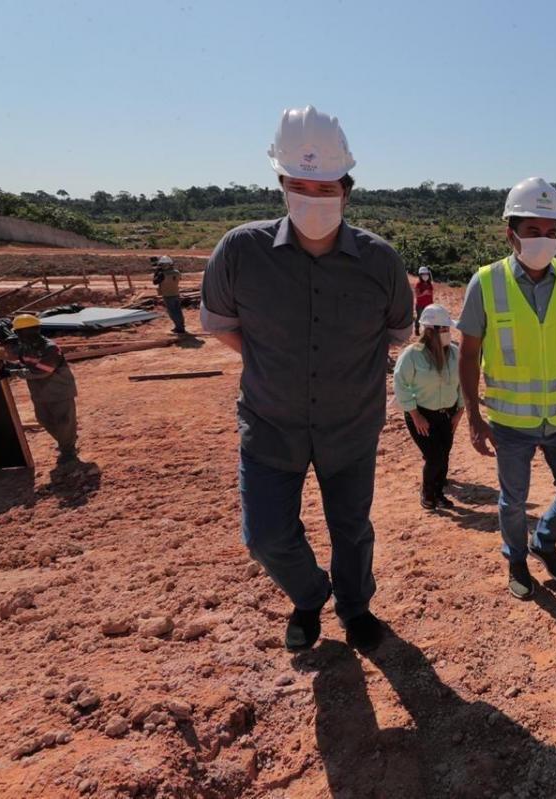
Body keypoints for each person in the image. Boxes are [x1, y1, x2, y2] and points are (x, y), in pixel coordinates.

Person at [200, 105, 412, 652]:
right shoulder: (241, 252)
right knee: (266, 536)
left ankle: (356, 607)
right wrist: (274, 360)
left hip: (350, 425)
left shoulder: (380, 261)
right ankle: (310, 595)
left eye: (325, 187)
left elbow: (396, 335)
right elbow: (221, 325)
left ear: (347, 188)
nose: (313, 198)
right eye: (300, 185)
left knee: (352, 529)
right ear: (280, 185)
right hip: (272, 423)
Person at [457, 177, 556, 600]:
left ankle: (544, 541)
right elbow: (468, 355)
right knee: (512, 502)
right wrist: (472, 416)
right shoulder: (485, 283)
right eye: (533, 231)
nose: (544, 239)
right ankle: (518, 558)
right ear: (511, 234)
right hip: (510, 422)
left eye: (551, 231)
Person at [394, 304, 463, 511]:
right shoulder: (412, 355)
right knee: (435, 457)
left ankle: (439, 492)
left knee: (445, 454)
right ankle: (427, 492)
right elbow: (400, 383)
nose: (447, 333)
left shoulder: (454, 353)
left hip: (447, 414)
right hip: (422, 414)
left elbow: (462, 384)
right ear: (430, 330)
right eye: (443, 329)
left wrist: (460, 411)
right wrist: (415, 415)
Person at [0, 314, 79, 464]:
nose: (18, 335)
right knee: (44, 420)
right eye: (17, 332)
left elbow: (42, 371)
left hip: (59, 391)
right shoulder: (26, 347)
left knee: (64, 421)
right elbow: (26, 364)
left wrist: (12, 372)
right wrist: (8, 366)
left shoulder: (49, 348)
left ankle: (68, 450)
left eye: (20, 332)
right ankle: (67, 440)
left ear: (34, 330)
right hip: (40, 392)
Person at [152, 256, 187, 334]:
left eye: (162, 265)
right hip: (176, 294)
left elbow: (154, 282)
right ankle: (180, 326)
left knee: (172, 312)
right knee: (178, 311)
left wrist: (156, 271)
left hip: (168, 295)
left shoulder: (162, 274)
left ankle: (179, 328)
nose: (162, 266)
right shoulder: (177, 272)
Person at [413, 266, 435, 335]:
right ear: (420, 275)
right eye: (423, 274)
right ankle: (417, 329)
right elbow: (417, 295)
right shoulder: (418, 284)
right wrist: (424, 293)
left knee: (428, 318)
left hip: (429, 305)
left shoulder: (429, 284)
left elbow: (431, 293)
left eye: (426, 274)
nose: (425, 276)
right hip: (420, 305)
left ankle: (426, 332)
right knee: (419, 317)